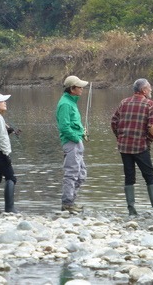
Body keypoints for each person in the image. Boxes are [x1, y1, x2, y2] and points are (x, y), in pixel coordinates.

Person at [111, 78, 153, 220]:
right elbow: (152, 127)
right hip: (141, 146)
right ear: (144, 90)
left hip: (124, 146)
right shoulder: (150, 105)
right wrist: (149, 140)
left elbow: (113, 122)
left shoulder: (124, 102)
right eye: (150, 88)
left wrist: (119, 137)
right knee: (150, 176)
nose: (151, 90)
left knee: (129, 177)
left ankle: (131, 211)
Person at [56, 75, 89, 214]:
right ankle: (67, 204)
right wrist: (76, 137)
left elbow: (73, 124)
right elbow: (64, 127)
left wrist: (82, 132)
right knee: (71, 173)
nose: (82, 89)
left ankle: (71, 202)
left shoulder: (71, 102)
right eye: (79, 87)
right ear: (72, 89)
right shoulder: (65, 104)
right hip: (71, 143)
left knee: (81, 175)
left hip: (76, 142)